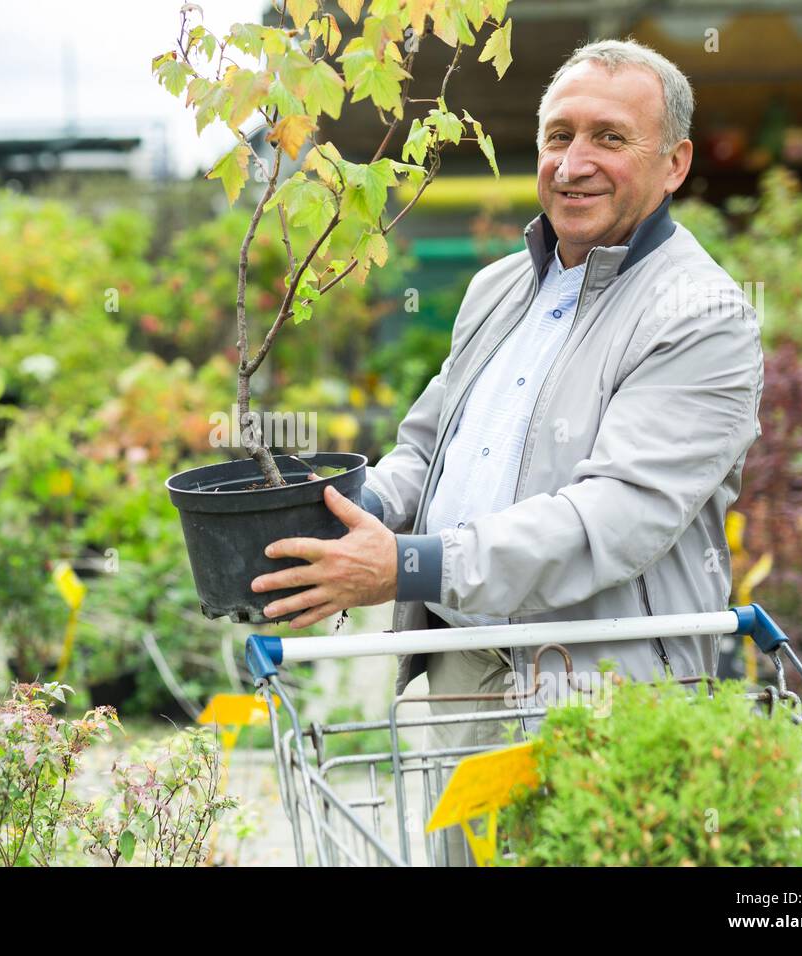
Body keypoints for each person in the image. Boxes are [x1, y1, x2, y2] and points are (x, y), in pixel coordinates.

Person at [249, 39, 764, 864]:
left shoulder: (699, 314)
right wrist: (356, 517)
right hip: (464, 668)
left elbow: (615, 517)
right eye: (558, 136)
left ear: (674, 164)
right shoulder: (500, 287)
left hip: (596, 682)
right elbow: (428, 446)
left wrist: (407, 566)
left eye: (608, 137)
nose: (574, 163)